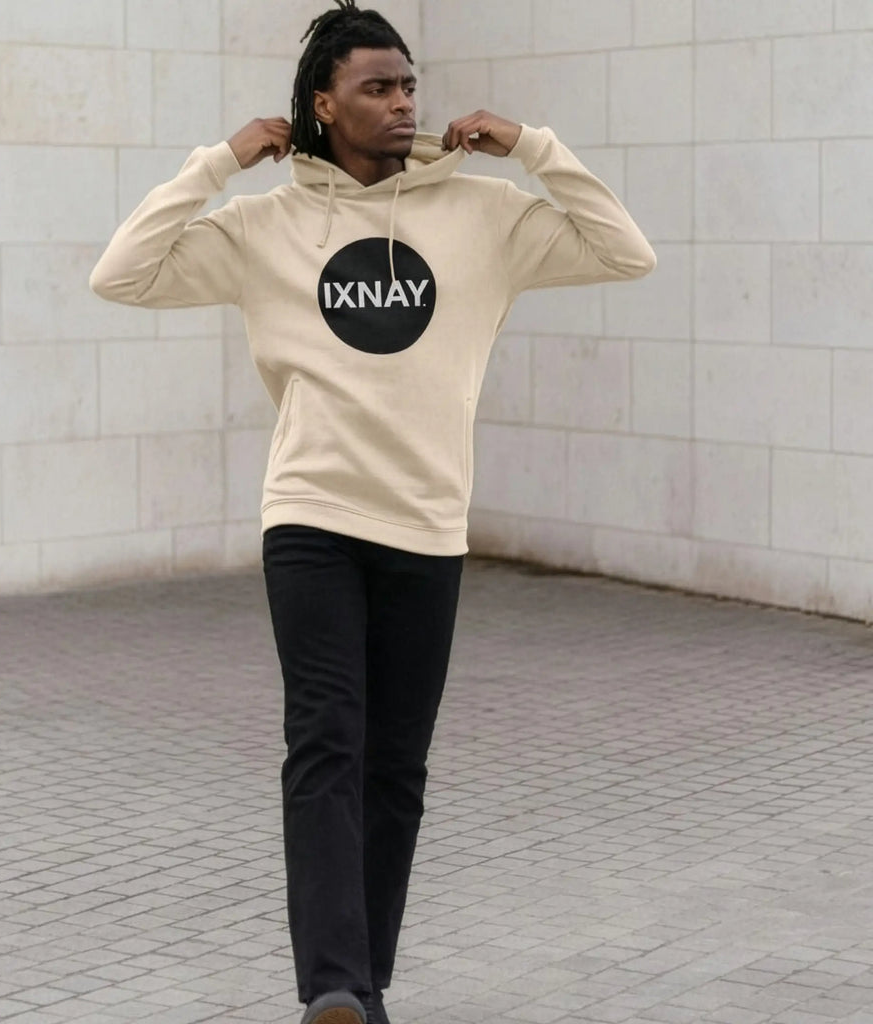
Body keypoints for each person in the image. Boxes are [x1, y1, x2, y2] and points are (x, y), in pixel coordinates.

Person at [89, 2, 656, 1021]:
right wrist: (217, 162)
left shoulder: (483, 214)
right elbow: (120, 271)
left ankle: (363, 985)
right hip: (309, 517)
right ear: (320, 103)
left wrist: (532, 147)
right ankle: (334, 986)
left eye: (408, 86)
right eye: (376, 87)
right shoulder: (264, 227)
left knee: (396, 766)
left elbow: (626, 253)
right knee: (325, 745)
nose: (402, 104)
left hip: (428, 524)